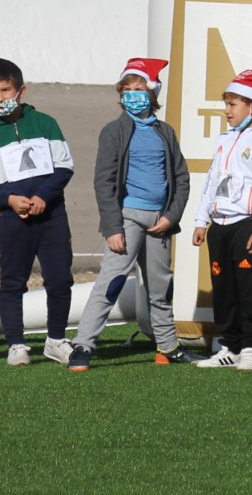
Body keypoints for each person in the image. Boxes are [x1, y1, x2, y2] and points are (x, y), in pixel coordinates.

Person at [70, 59, 190, 370]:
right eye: (127, 90)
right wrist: (113, 227)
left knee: (160, 287)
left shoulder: (166, 132)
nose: (133, 95)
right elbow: (103, 181)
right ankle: (82, 346)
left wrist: (171, 217)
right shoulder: (114, 131)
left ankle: (167, 346)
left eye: (140, 89)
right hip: (127, 219)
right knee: (110, 284)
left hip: (160, 222)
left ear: (153, 93)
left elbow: (181, 178)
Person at [0, 58, 74, 367]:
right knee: (13, 282)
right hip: (12, 219)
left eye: (6, 90)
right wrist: (9, 200)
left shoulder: (45, 124)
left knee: (58, 279)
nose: (0, 98)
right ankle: (16, 344)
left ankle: (56, 340)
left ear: (21, 90)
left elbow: (65, 166)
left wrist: (44, 195)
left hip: (52, 216)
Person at [191, 70, 252, 370]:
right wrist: (201, 219)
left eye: (233, 105)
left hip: (247, 223)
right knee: (223, 288)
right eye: (227, 104)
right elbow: (213, 180)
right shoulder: (225, 138)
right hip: (219, 225)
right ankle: (229, 345)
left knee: (249, 288)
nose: (226, 111)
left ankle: (251, 348)